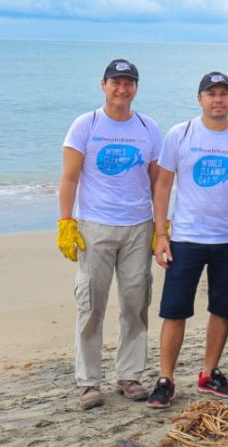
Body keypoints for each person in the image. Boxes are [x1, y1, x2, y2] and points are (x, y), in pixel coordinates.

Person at [148, 72, 228, 408]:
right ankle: (166, 379)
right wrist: (161, 234)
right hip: (186, 237)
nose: (218, 100)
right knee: (175, 310)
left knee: (221, 309)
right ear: (200, 99)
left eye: (224, 93)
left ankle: (209, 373)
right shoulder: (180, 134)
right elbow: (163, 185)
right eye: (211, 93)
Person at [59, 58, 162, 409]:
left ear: (136, 88)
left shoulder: (149, 128)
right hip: (94, 226)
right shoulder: (85, 125)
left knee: (136, 302)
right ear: (103, 85)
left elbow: (156, 182)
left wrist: (160, 226)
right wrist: (65, 222)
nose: (122, 89)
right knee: (91, 304)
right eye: (115, 82)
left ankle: (129, 376)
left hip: (137, 225)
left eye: (129, 83)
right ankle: (88, 383)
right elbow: (70, 177)